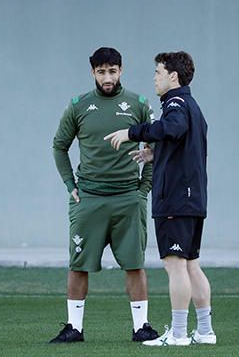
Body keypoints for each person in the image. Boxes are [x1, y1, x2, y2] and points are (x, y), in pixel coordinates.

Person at [105, 51, 216, 346]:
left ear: (173, 76)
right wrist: (155, 154)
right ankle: (205, 331)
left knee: (175, 265)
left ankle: (178, 334)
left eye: (158, 72)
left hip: (176, 199)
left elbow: (172, 128)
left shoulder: (176, 103)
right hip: (192, 198)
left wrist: (132, 132)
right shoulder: (192, 105)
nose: (154, 78)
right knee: (191, 264)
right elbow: (185, 144)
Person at [49, 47, 160, 343]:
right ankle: (74, 328)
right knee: (78, 265)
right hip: (89, 199)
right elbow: (59, 146)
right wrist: (70, 184)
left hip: (128, 199)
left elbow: (155, 147)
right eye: (101, 72)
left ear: (121, 70)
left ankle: (141, 327)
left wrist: (143, 190)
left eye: (112, 71)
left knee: (135, 264)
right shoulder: (79, 105)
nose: (107, 78)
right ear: (93, 73)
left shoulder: (138, 104)